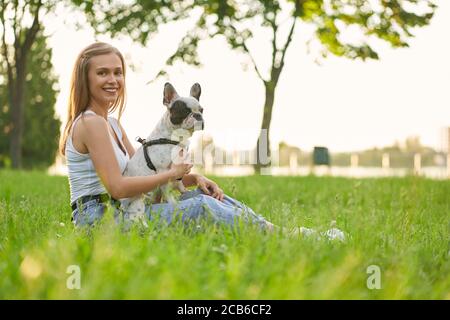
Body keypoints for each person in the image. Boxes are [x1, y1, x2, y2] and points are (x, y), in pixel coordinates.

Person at [59, 42, 345, 241]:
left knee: (204, 197)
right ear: (85, 78)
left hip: (123, 211)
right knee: (202, 208)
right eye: (102, 73)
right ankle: (289, 238)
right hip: (98, 223)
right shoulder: (91, 123)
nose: (113, 79)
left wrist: (194, 178)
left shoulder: (110, 123)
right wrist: (173, 173)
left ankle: (280, 234)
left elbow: (147, 173)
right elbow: (119, 188)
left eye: (117, 72)